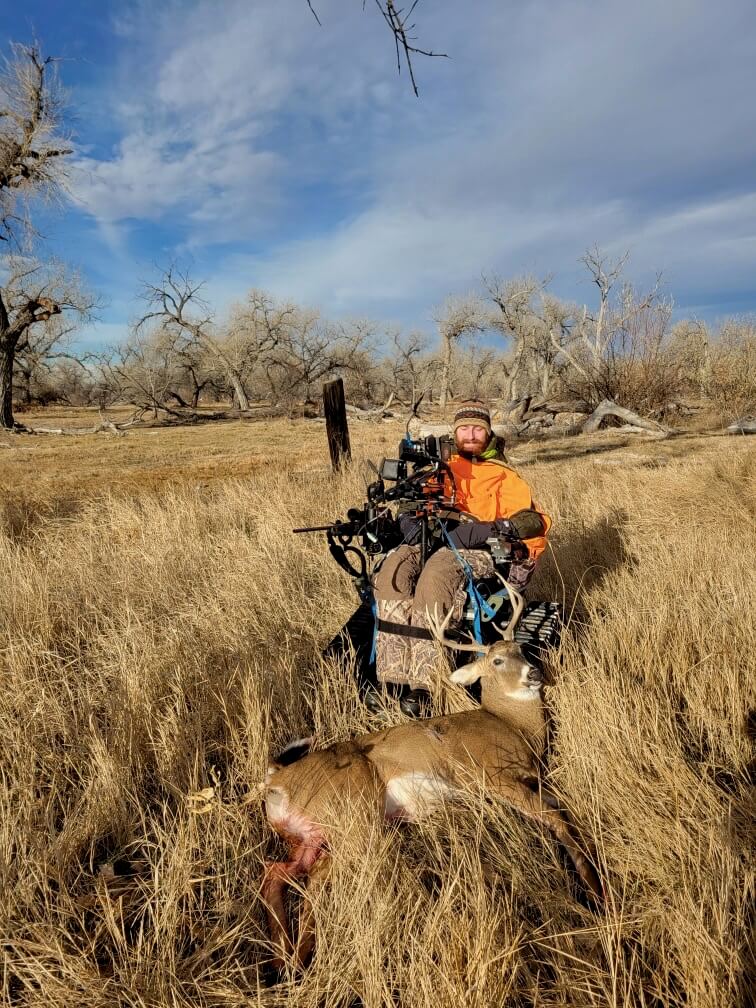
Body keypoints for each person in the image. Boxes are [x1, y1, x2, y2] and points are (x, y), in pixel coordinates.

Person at [372, 400, 550, 712]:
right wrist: (408, 520)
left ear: (488, 433)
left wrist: (491, 529)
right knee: (393, 572)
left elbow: (533, 520)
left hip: (480, 548)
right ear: (455, 432)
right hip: (433, 538)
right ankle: (392, 678)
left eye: (477, 428)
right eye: (464, 428)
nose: (470, 434)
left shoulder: (504, 474)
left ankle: (428, 684)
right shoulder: (441, 464)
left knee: (437, 574)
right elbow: (413, 503)